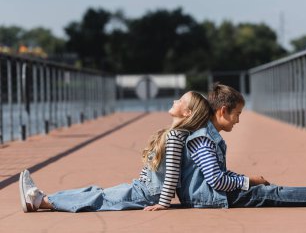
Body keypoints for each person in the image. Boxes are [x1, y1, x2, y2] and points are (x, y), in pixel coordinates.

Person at [19, 91, 212, 213]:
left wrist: (163, 203)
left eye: (180, 100)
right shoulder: (170, 134)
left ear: (187, 113)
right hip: (142, 188)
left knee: (97, 198)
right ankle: (42, 199)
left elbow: (172, 173)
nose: (174, 100)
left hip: (147, 194)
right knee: (95, 193)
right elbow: (151, 168)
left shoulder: (176, 137)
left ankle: (39, 201)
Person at [177, 83, 306, 208]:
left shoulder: (207, 135)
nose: (238, 120)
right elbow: (217, 180)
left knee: (268, 191)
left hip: (209, 195)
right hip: (208, 198)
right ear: (223, 111)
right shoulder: (204, 139)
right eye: (237, 114)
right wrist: (249, 181)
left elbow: (217, 175)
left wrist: (245, 180)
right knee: (270, 193)